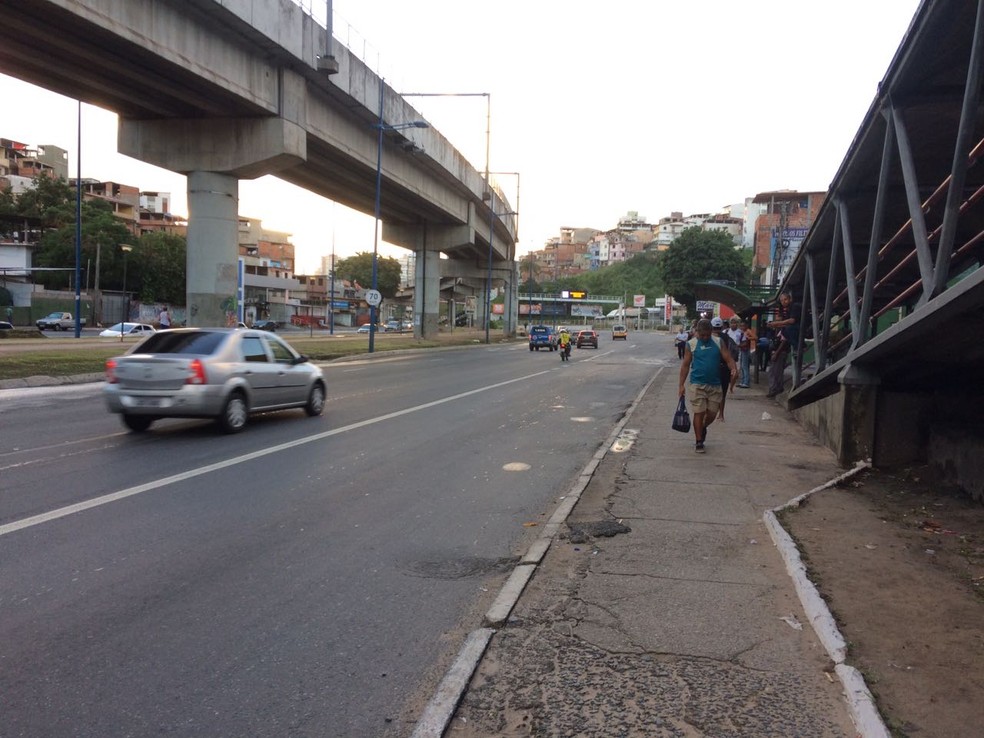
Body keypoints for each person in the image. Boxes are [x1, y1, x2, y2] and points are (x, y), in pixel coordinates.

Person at [679, 318, 737, 453]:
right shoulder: (691, 344)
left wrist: (733, 368)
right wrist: (681, 385)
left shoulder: (718, 342)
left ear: (711, 332)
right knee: (699, 412)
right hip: (697, 384)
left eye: (707, 335)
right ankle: (699, 441)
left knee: (712, 413)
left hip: (715, 384)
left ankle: (702, 427)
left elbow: (728, 358)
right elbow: (685, 366)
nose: (705, 337)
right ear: (697, 332)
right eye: (702, 335)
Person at [766, 291, 800, 398]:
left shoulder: (794, 308)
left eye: (785, 299)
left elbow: (784, 340)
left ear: (790, 299)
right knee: (775, 372)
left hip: (780, 351)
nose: (783, 302)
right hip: (777, 351)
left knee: (774, 372)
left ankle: (775, 389)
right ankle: (776, 388)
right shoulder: (778, 330)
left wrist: (776, 352)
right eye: (781, 300)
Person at [711, 317, 739, 420]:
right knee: (722, 392)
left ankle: (714, 412)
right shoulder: (727, 338)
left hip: (713, 368)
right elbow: (733, 353)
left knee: (711, 391)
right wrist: (733, 367)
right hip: (723, 368)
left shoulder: (707, 337)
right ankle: (721, 414)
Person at [737, 320, 754, 388]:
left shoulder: (748, 331)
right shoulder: (742, 332)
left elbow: (755, 337)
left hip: (745, 350)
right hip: (742, 349)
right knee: (742, 366)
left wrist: (748, 337)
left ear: (746, 326)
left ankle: (746, 382)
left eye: (743, 325)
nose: (742, 327)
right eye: (741, 326)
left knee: (745, 366)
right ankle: (742, 381)